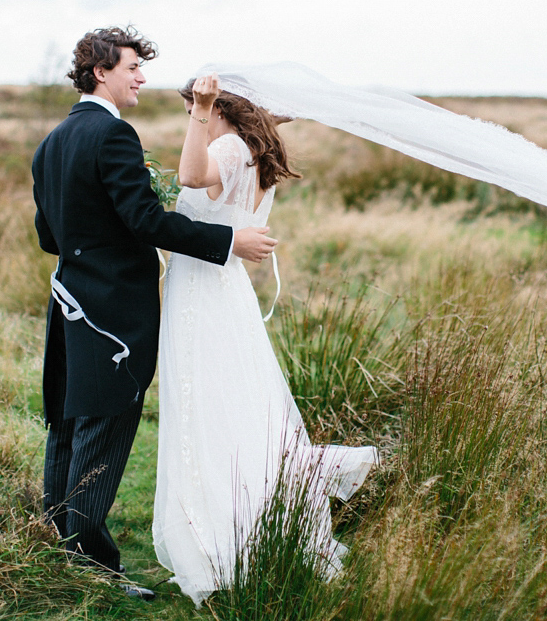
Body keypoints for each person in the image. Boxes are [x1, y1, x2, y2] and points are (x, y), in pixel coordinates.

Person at [31, 28, 278, 600]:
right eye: (133, 67)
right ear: (101, 72)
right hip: (114, 311)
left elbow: (49, 235)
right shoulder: (113, 134)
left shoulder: (53, 141)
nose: (142, 77)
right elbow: (144, 220)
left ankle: (61, 551)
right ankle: (95, 569)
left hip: (68, 296)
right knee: (106, 425)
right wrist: (225, 241)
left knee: (68, 422)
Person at [152, 74, 379, 606]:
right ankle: (254, 520)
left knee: (210, 408)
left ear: (221, 108)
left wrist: (200, 110)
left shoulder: (229, 146)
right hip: (224, 291)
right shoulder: (257, 151)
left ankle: (226, 537)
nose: (196, 115)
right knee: (238, 407)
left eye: (200, 106)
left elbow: (189, 173)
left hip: (204, 294)